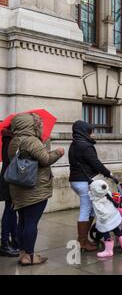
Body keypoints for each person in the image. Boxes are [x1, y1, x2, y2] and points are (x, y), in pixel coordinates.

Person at [8, 113, 64, 265]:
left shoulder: (14, 141)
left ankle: (23, 253)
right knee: (32, 222)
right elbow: (45, 160)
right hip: (34, 188)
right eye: (38, 124)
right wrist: (58, 152)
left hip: (18, 188)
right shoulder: (31, 141)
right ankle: (30, 256)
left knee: (23, 221)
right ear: (31, 125)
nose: (40, 126)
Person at [68, 120, 118, 252]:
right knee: (85, 210)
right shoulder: (85, 146)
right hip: (83, 181)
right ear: (83, 132)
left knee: (90, 210)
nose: (92, 134)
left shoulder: (74, 145)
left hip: (75, 181)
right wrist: (109, 174)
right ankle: (82, 242)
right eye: (90, 132)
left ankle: (83, 239)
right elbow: (96, 163)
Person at [89, 180, 122, 258]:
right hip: (114, 216)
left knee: (106, 233)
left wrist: (102, 221)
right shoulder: (107, 194)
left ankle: (109, 251)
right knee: (117, 230)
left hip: (106, 219)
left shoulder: (97, 201)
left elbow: (100, 212)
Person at [0, 126, 19, 257]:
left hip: (9, 178)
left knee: (11, 210)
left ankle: (13, 241)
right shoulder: (10, 141)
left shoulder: (9, 139)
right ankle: (5, 243)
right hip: (9, 179)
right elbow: (12, 160)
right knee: (9, 210)